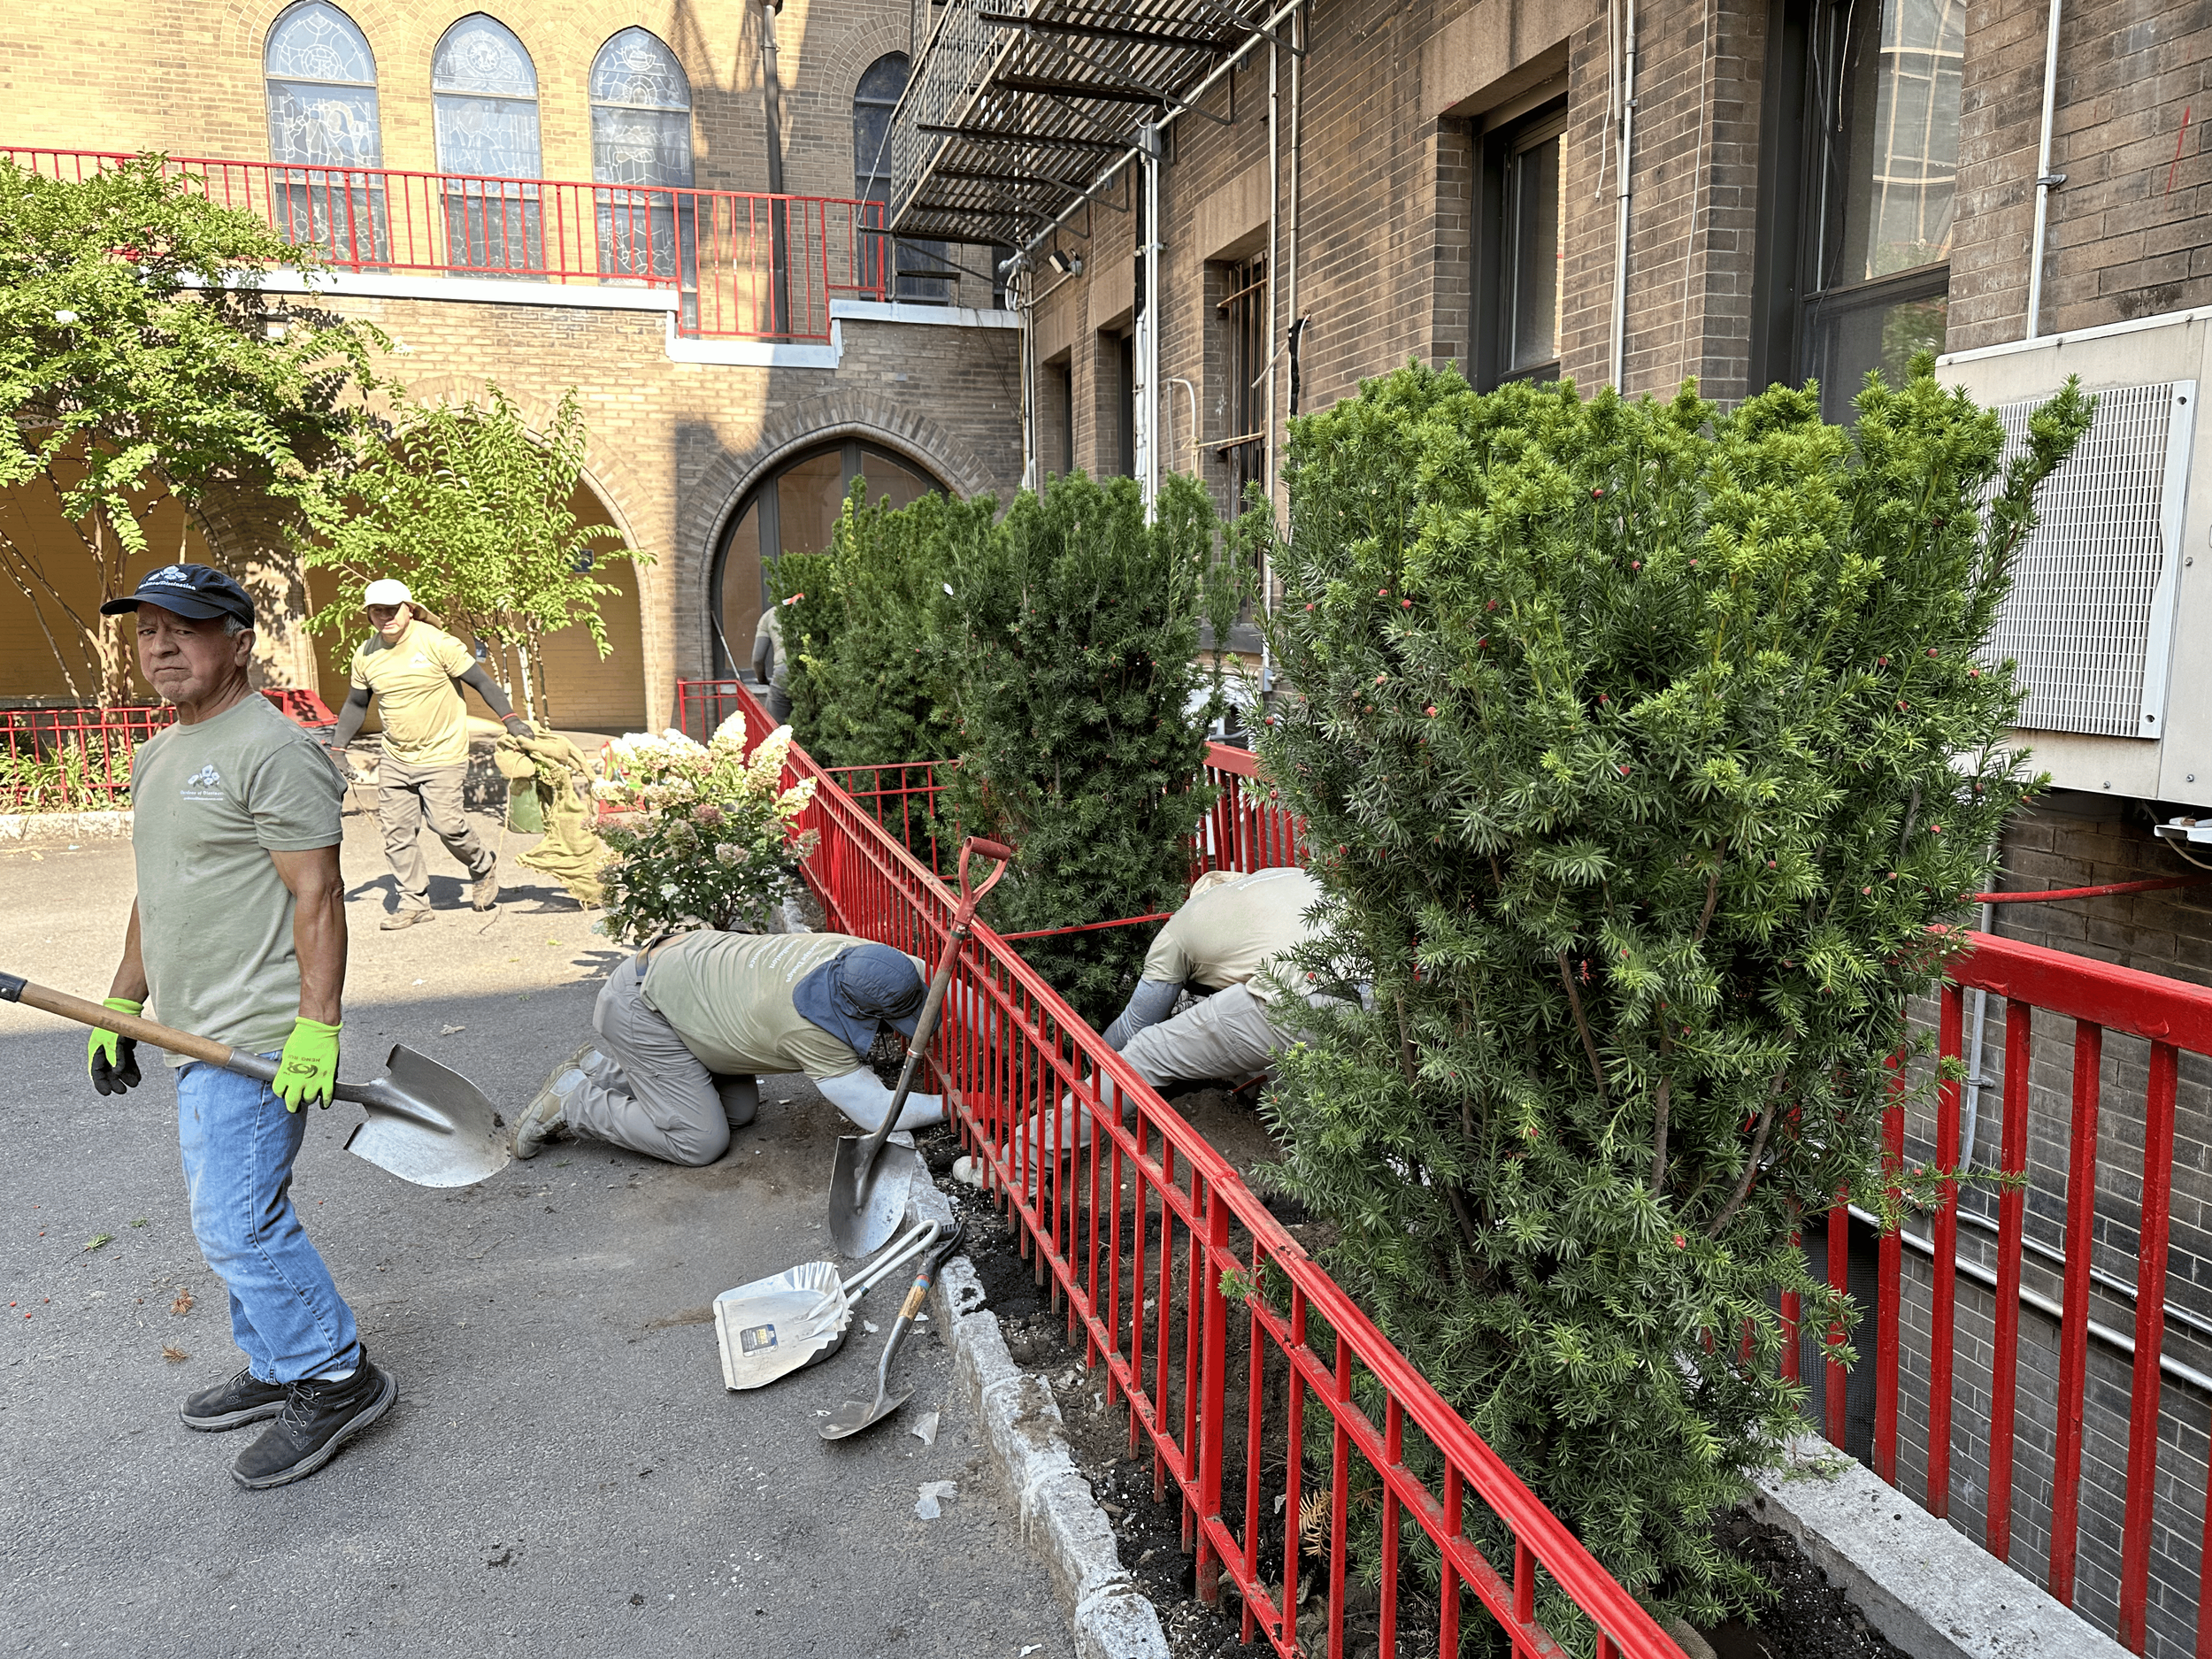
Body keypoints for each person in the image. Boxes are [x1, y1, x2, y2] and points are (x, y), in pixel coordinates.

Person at [88, 562, 392, 1491]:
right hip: (191, 1027)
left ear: (240, 640)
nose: (161, 646)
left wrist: (319, 1028)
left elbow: (318, 892)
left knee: (235, 1223)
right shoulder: (159, 752)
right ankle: (278, 1360)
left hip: (255, 1037)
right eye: (146, 631)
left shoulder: (273, 748)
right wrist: (123, 1001)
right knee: (229, 1210)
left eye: (183, 628)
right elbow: (163, 887)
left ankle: (337, 1376)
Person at [512, 931, 947, 1167]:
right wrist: (957, 1106)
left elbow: (949, 984)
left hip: (683, 976)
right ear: (853, 1008)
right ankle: (573, 1100)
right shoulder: (811, 1027)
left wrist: (1007, 1039)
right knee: (700, 1141)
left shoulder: (855, 956)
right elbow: (877, 1114)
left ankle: (600, 1069)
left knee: (737, 1111)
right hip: (643, 1009)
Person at [1025, 865, 1334, 1157]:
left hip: (1304, 993)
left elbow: (1136, 1022)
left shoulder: (1184, 926)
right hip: (1374, 992)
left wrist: (1092, 1068)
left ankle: (1023, 1161)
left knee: (1143, 1053)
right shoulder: (1285, 878)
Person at [326, 578, 533, 929]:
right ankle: (414, 903)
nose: (386, 617)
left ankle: (482, 865)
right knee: (397, 833)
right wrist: (338, 749)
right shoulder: (366, 654)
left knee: (448, 825)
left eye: (393, 609)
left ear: (409, 609)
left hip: (443, 753)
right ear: (369, 615)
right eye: (378, 611)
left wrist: (512, 721)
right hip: (395, 757)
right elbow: (356, 704)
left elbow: (482, 683)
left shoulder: (437, 643)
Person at [752, 596, 794, 723]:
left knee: (774, 727)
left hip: (784, 673)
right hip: (814, 670)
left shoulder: (769, 615)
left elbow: (758, 659)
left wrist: (762, 679)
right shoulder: (813, 610)